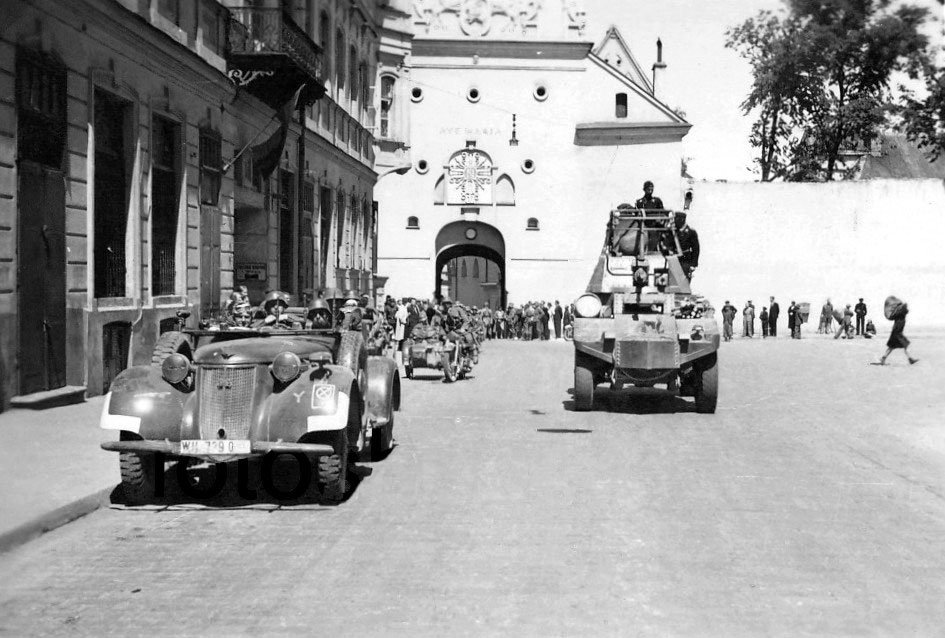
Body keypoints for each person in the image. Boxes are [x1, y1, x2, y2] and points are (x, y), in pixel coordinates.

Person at [875, 298, 918, 365]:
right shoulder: (900, 312)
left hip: (897, 332)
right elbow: (904, 309)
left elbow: (892, 316)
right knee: (902, 345)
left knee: (893, 347)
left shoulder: (899, 312)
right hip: (897, 333)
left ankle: (883, 359)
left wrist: (895, 309)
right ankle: (910, 359)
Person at [673, 211, 700, 280]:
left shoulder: (691, 232)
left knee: (684, 281)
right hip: (674, 260)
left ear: (682, 220)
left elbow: (696, 249)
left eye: (676, 220)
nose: (674, 222)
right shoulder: (673, 231)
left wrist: (693, 264)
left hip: (686, 260)